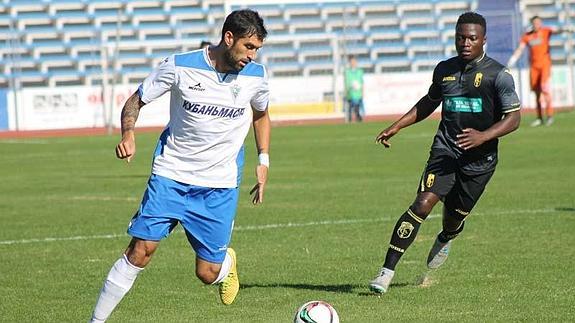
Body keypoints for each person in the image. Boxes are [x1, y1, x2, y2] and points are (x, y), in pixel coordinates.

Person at [89, 9, 270, 322]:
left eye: (257, 49)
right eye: (248, 47)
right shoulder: (179, 65)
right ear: (229, 38)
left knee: (207, 272)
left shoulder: (256, 77)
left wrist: (263, 158)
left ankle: (226, 264)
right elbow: (136, 100)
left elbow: (261, 114)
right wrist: (128, 133)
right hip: (171, 174)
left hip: (219, 184)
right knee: (140, 250)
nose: (252, 56)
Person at [369, 12, 521, 294]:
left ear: (483, 40)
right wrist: (397, 125)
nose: (465, 43)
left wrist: (483, 136)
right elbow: (429, 102)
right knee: (422, 204)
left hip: (480, 161)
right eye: (460, 37)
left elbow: (514, 118)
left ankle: (447, 236)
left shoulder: (498, 75)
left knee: (453, 218)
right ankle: (385, 272)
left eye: (472, 38)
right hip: (445, 151)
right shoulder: (444, 69)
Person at [507, 16, 573, 127]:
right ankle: (539, 118)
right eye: (535, 23)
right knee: (537, 93)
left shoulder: (545, 31)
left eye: (539, 22)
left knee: (545, 88)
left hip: (545, 65)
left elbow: (557, 30)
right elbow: (521, 48)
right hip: (534, 67)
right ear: (532, 24)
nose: (537, 24)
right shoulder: (527, 36)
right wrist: (512, 60)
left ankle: (550, 116)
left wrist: (567, 29)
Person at [344, 55, 364, 123]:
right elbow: (346, 83)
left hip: (357, 94)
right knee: (349, 110)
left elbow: (362, 82)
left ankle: (359, 120)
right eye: (351, 62)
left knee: (357, 109)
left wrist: (362, 92)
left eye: (354, 61)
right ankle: (349, 122)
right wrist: (346, 92)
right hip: (350, 93)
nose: (353, 63)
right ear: (349, 63)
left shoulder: (360, 71)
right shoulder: (347, 72)